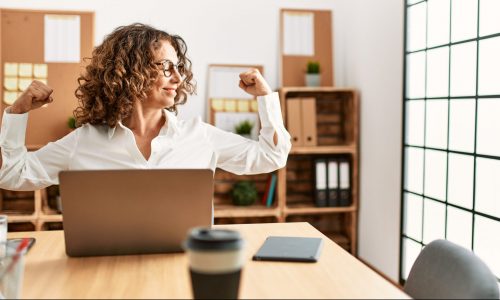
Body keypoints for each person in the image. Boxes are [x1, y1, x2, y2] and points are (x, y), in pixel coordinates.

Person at [0, 23, 291, 191]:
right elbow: (11, 175)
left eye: (178, 67)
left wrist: (266, 97)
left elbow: (271, 156)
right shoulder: (84, 142)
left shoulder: (199, 137)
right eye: (166, 67)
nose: (177, 77)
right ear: (128, 71)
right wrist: (16, 114)